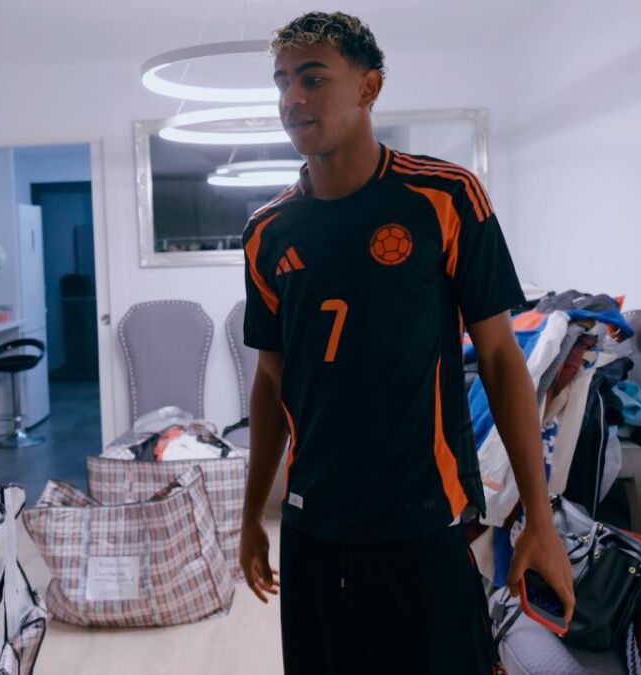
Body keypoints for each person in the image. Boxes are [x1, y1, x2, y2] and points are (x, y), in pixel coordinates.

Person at [238, 11, 575, 673]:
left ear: (369, 87)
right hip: (313, 528)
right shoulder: (266, 231)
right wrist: (253, 514)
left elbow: (501, 357)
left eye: (313, 78)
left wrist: (539, 517)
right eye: (282, 81)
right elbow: (271, 379)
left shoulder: (446, 196)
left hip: (424, 525)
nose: (292, 98)